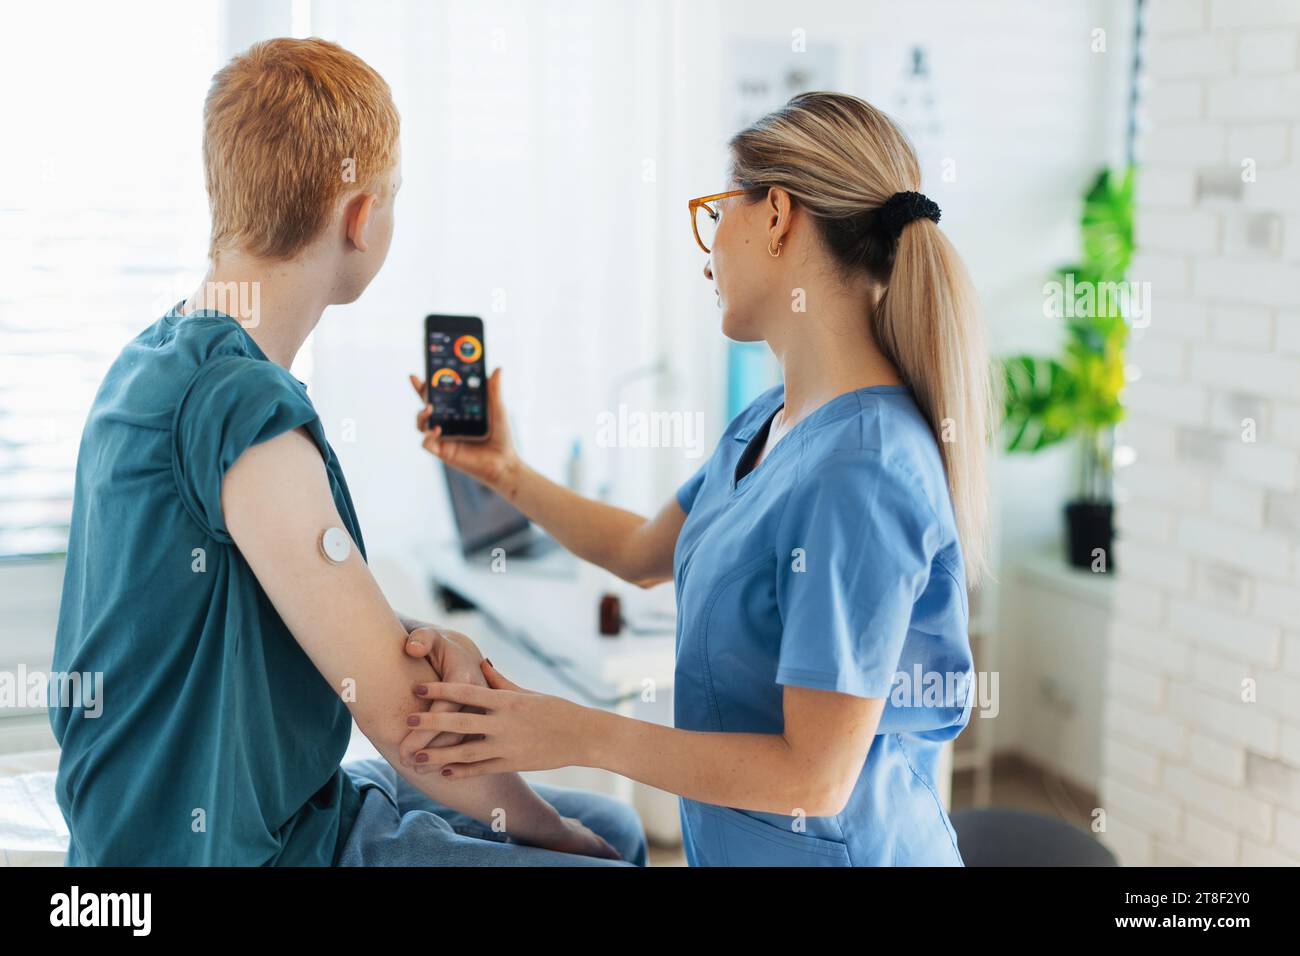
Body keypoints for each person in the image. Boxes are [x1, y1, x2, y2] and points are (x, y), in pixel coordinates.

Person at [48, 37, 644, 867]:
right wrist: (557, 836)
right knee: (601, 848)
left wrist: (393, 628)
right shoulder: (245, 410)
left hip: (180, 816)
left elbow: (241, 603)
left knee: (613, 826)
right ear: (359, 217)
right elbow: (407, 729)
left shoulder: (149, 362)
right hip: (237, 848)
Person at [404, 91, 990, 866]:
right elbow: (643, 551)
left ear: (777, 215)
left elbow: (814, 779)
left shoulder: (866, 471)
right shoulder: (771, 418)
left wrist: (578, 732)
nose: (706, 248)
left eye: (718, 213)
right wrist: (506, 472)